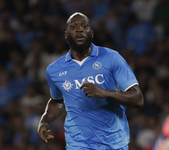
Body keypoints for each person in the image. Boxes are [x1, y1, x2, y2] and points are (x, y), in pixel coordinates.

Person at [37, 12, 144, 150]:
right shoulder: (54, 70)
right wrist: (44, 121)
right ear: (66, 35)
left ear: (91, 33)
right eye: (73, 26)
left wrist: (105, 92)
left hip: (113, 143)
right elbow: (58, 101)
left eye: (84, 26)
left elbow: (138, 99)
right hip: (78, 144)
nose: (79, 29)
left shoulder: (111, 58)